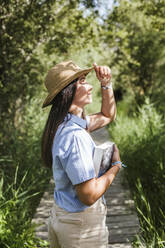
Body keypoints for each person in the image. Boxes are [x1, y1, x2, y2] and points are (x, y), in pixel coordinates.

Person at [41, 60, 123, 248]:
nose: (90, 86)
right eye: (83, 81)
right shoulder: (75, 136)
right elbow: (89, 195)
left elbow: (108, 115)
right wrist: (115, 167)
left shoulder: (65, 123)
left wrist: (106, 84)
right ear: (68, 91)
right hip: (81, 228)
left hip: (63, 218)